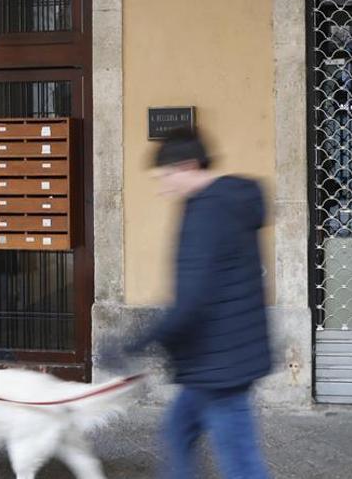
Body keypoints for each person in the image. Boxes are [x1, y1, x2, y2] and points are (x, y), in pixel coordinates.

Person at [120, 128, 273, 479]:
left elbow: (191, 302)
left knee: (241, 464)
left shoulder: (205, 215)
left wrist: (137, 343)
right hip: (222, 358)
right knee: (178, 431)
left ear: (188, 166)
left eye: (166, 176)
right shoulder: (233, 199)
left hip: (219, 366)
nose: (163, 187)